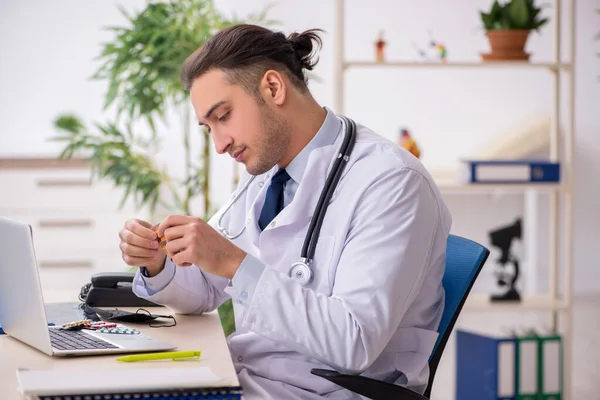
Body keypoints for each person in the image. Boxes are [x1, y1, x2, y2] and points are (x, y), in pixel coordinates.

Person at [118, 24, 452, 400]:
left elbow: (353, 342)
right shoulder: (267, 175)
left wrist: (233, 262)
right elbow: (204, 291)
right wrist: (159, 262)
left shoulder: (391, 182)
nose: (219, 144)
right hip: (253, 382)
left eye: (223, 116)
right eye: (208, 128)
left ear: (273, 88)